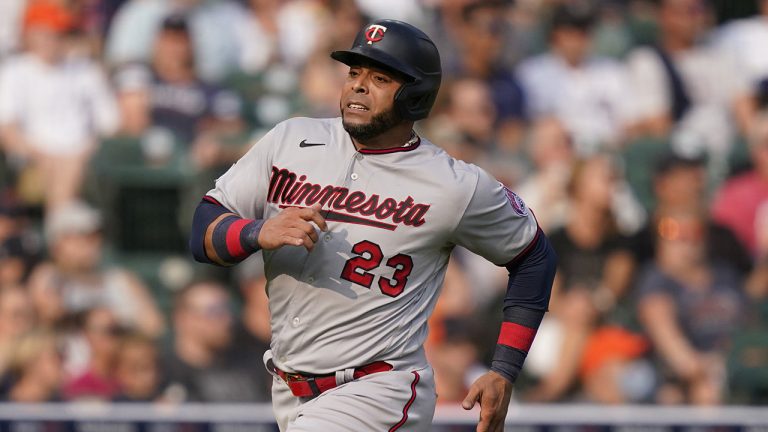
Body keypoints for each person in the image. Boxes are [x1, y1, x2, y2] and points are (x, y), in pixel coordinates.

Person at [190, 19, 556, 432]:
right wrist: (254, 232)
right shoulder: (290, 140)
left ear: (415, 94)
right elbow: (203, 229)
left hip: (378, 388)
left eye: (380, 77)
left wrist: (504, 369)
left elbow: (534, 256)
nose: (359, 86)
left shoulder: (454, 185)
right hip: (290, 389)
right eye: (354, 72)